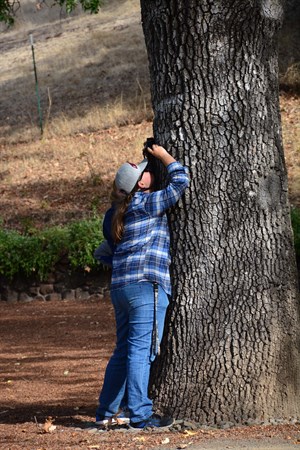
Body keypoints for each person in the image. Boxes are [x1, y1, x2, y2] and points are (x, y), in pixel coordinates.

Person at [95, 143, 189, 429]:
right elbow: (181, 179)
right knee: (139, 350)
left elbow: (104, 251)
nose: (150, 172)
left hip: (121, 288)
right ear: (141, 184)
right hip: (146, 285)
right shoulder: (148, 203)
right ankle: (139, 414)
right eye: (146, 172)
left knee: (123, 349)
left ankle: (106, 413)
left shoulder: (115, 214)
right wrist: (162, 156)